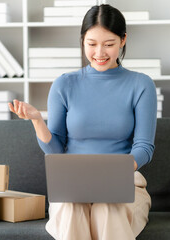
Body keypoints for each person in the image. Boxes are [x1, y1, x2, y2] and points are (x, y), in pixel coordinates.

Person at [8, 4, 157, 240]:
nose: (100, 53)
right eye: (92, 44)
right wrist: (37, 120)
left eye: (109, 44)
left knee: (107, 209)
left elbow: (144, 147)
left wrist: (117, 171)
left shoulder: (141, 85)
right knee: (71, 209)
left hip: (124, 183)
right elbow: (55, 148)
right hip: (73, 185)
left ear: (123, 40)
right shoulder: (64, 84)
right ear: (82, 41)